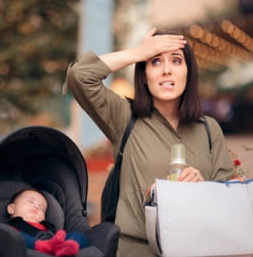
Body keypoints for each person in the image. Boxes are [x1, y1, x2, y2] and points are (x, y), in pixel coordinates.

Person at [65, 28, 234, 256]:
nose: (166, 71)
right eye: (155, 62)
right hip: (136, 249)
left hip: (196, 248)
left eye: (176, 61)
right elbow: (79, 76)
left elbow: (228, 199)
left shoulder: (208, 128)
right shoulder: (124, 117)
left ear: (188, 72)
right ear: (144, 75)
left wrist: (202, 187)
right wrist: (138, 53)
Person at [6, 188, 88, 257]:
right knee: (12, 235)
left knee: (79, 236)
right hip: (30, 247)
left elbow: (58, 237)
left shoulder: (49, 227)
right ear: (11, 208)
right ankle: (44, 246)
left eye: (42, 208)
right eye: (31, 202)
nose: (36, 206)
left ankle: (66, 248)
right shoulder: (12, 224)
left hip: (54, 245)